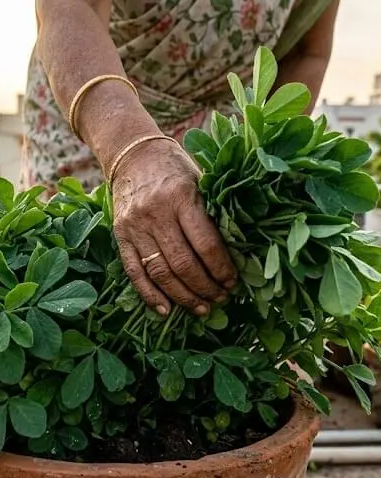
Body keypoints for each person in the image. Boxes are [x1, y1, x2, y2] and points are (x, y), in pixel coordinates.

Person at [22, 0, 339, 317]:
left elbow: (307, 51)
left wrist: (250, 166)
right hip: (97, 109)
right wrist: (131, 149)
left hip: (220, 131)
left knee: (199, 312)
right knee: (79, 289)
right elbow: (70, 8)